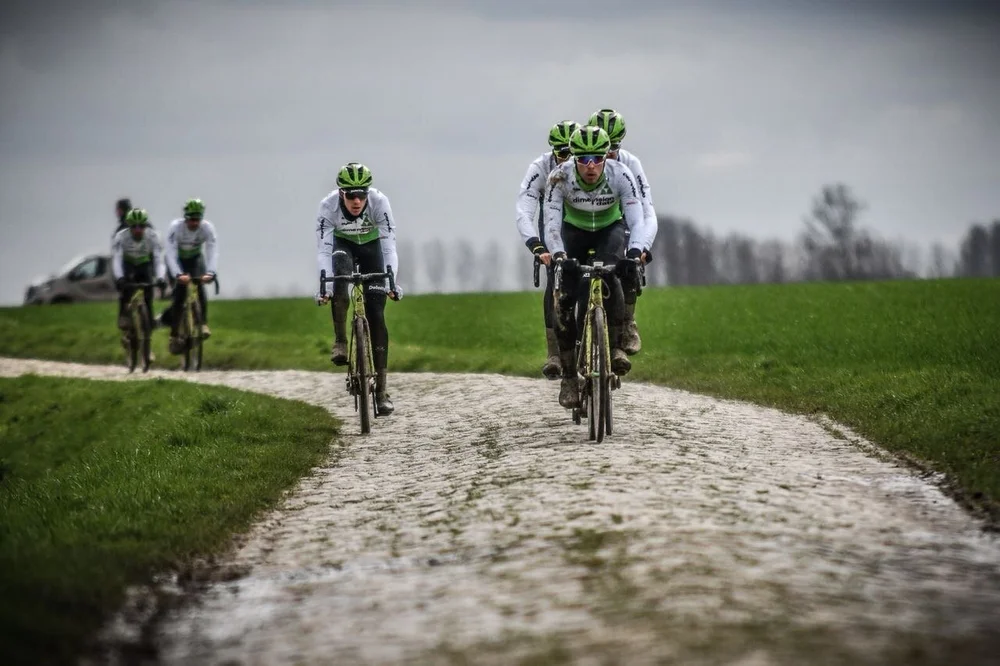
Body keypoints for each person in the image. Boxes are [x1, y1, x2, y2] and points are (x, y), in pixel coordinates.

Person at [543, 125, 651, 409]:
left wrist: (636, 249)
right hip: (573, 232)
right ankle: (568, 378)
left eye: (597, 158)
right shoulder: (559, 178)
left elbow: (636, 218)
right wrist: (558, 254)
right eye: (583, 159)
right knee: (563, 300)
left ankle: (616, 346)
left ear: (606, 157)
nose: (590, 166)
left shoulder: (621, 175)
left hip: (608, 230)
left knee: (614, 275)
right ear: (573, 160)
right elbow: (552, 223)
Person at [315, 162, 402, 415]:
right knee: (340, 277)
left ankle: (382, 391)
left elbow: (389, 247)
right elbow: (323, 250)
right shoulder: (327, 207)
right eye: (351, 195)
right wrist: (324, 287)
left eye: (361, 194)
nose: (356, 200)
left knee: (376, 314)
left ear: (368, 193)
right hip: (344, 245)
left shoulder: (380, 203)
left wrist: (391, 281)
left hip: (372, 247)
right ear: (341, 193)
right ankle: (341, 341)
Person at [587, 108, 658, 355]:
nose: (606, 154)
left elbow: (646, 211)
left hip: (623, 223)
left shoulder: (630, 164)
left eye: (612, 147)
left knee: (627, 267)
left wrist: (641, 247)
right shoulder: (583, 163)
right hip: (587, 222)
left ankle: (627, 322)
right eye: (601, 148)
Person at [515, 120, 580, 379]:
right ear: (553, 151)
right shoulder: (541, 168)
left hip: (586, 227)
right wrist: (535, 244)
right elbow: (524, 209)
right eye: (562, 153)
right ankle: (554, 353)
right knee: (555, 280)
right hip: (554, 229)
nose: (567, 159)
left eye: (572, 153)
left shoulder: (592, 167)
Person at [162, 198, 219, 353]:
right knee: (179, 295)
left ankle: (202, 324)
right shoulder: (175, 228)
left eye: (197, 219)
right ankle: (174, 336)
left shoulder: (207, 228)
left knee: (199, 286)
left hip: (194, 259)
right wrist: (178, 274)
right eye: (191, 219)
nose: (194, 223)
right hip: (177, 261)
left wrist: (211, 272)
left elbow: (212, 251)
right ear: (185, 218)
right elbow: (170, 254)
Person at [111, 208, 166, 337]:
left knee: (148, 295)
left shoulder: (153, 236)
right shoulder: (121, 237)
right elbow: (117, 260)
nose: (137, 230)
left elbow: (158, 259)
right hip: (128, 264)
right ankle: (124, 315)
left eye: (141, 226)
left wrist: (160, 278)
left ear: (145, 226)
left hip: (144, 264)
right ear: (129, 226)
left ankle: (149, 327)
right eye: (134, 226)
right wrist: (119, 278)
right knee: (126, 290)